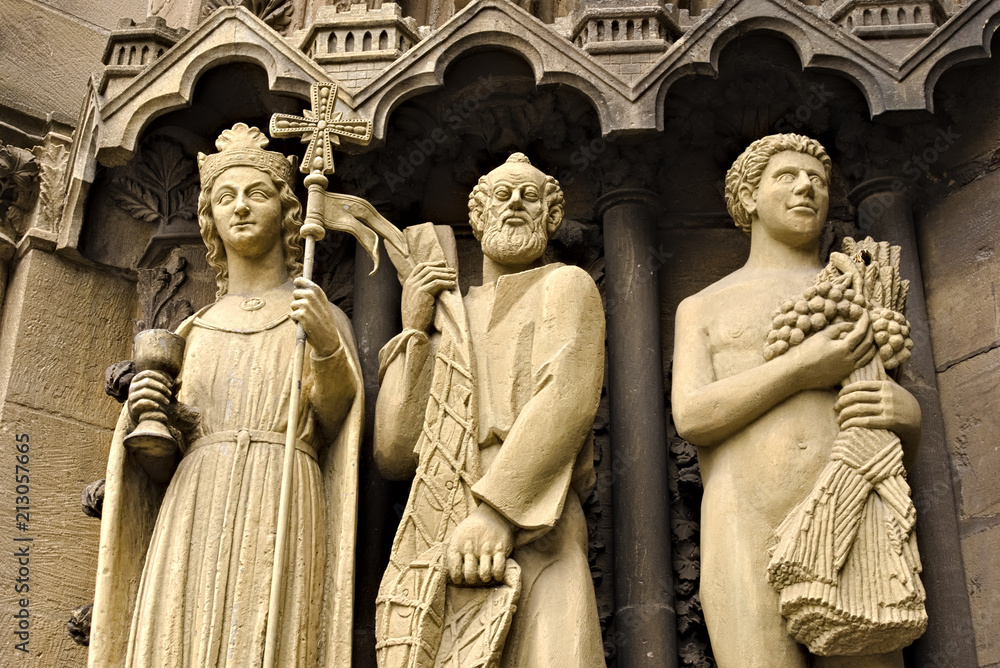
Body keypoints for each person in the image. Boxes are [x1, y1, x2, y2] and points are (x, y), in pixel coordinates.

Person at [89, 123, 363, 668]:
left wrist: (328, 347)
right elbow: (159, 465)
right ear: (208, 217)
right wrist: (152, 420)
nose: (240, 207)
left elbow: (337, 420)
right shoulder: (195, 328)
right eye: (224, 196)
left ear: (288, 214)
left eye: (256, 193)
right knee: (182, 634)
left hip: (282, 487)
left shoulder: (318, 317)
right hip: (196, 502)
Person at [671, 133, 922, 668]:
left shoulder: (861, 288)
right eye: (786, 176)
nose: (807, 187)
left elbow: (901, 444)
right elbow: (693, 415)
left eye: (820, 181)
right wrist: (803, 367)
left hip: (856, 511)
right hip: (745, 517)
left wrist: (910, 415)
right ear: (748, 198)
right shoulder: (704, 306)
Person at [374, 153, 606, 666]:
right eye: (502, 196)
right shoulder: (451, 317)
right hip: (441, 527)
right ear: (476, 219)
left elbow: (565, 398)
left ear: (551, 218)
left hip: (536, 523)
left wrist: (497, 513)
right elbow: (393, 452)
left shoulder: (564, 286)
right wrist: (415, 329)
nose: (516, 205)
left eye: (530, 196)